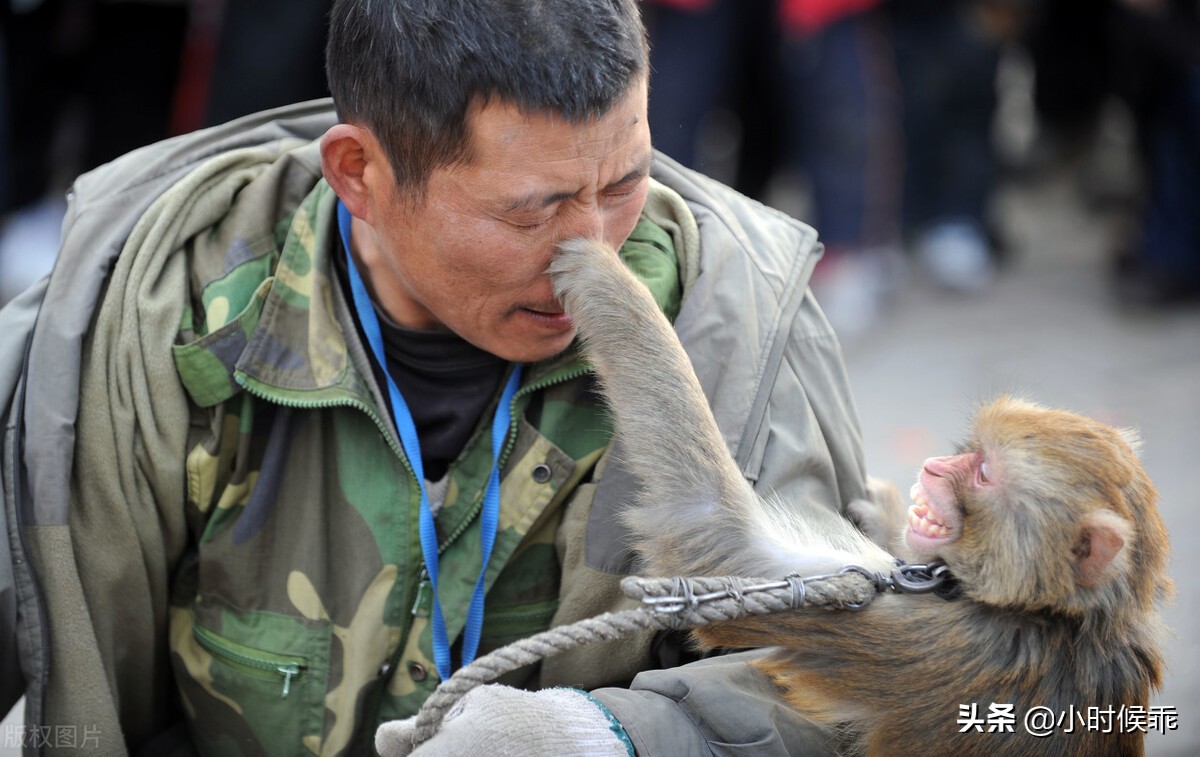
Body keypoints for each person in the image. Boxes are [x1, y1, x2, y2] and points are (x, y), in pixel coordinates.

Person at [0, 0, 874, 754]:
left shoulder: (734, 330)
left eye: (625, 182)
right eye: (530, 211)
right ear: (360, 174)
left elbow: (838, 693)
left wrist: (613, 736)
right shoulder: (143, 322)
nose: (595, 254)